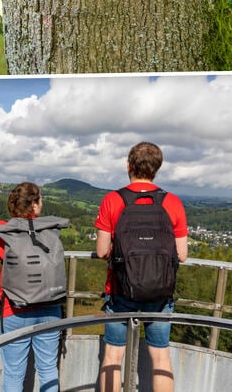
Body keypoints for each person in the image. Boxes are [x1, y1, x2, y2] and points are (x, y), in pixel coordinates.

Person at [95, 142, 188, 392]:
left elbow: (102, 251)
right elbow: (182, 255)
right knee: (161, 359)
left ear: (128, 166)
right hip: (160, 294)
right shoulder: (173, 202)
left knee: (113, 356)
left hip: (120, 291)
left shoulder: (113, 200)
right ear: (157, 168)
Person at [0, 182, 63, 392]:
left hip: (14, 309)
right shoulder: (48, 229)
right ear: (34, 204)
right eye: (40, 199)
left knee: (14, 372)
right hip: (51, 305)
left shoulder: (3, 228)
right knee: (48, 368)